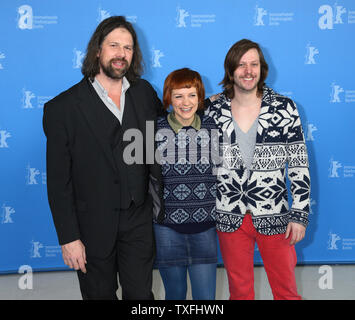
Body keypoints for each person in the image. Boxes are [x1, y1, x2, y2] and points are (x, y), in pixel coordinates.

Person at [42, 16, 163, 300]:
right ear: (97, 50)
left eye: (128, 48)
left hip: (138, 220)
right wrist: (69, 238)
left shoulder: (145, 93)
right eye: (114, 45)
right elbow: (59, 183)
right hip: (91, 227)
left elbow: (172, 127)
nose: (121, 54)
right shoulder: (63, 109)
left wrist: (216, 101)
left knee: (141, 296)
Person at [205, 39, 310, 300]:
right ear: (231, 71)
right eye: (241, 65)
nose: (248, 71)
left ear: (262, 69)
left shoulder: (285, 107)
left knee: (286, 291)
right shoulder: (212, 110)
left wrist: (299, 214)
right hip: (229, 214)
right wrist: (208, 100)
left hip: (275, 214)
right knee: (239, 293)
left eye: (253, 64)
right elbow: (178, 113)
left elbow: (298, 162)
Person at [149, 68, 218, 300]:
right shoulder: (155, 130)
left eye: (191, 95)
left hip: (205, 226)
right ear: (169, 99)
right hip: (167, 228)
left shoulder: (214, 128)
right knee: (175, 293)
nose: (185, 102)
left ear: (200, 98)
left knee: (205, 297)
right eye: (178, 96)